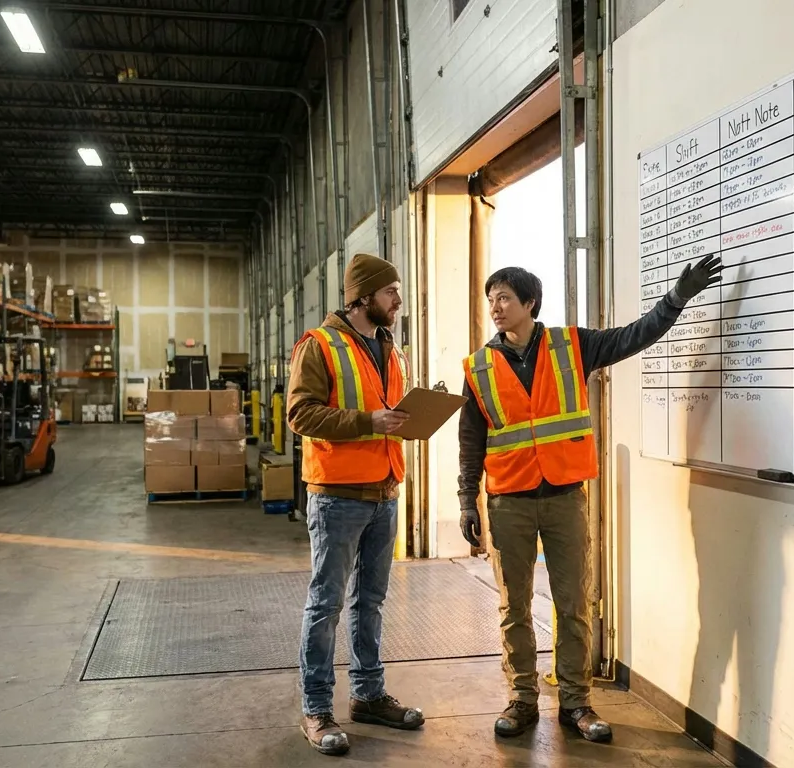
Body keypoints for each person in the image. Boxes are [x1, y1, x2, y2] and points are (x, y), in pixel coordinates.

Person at [457, 255, 722, 742]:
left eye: (504, 299)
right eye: (490, 300)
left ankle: (576, 703)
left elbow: (633, 335)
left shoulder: (571, 346)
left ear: (529, 303)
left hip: (563, 498)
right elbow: (471, 439)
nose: (495, 308)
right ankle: (521, 699)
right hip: (508, 502)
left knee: (573, 602)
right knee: (513, 606)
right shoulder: (478, 367)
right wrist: (465, 500)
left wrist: (676, 299)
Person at [287, 253, 424, 757]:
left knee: (370, 602)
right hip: (337, 496)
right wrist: (370, 421)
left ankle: (367, 695)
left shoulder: (390, 346)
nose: (398, 300)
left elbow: (388, 410)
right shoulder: (318, 345)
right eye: (391, 292)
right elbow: (300, 414)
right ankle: (316, 708)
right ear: (364, 296)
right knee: (325, 604)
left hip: (385, 490)